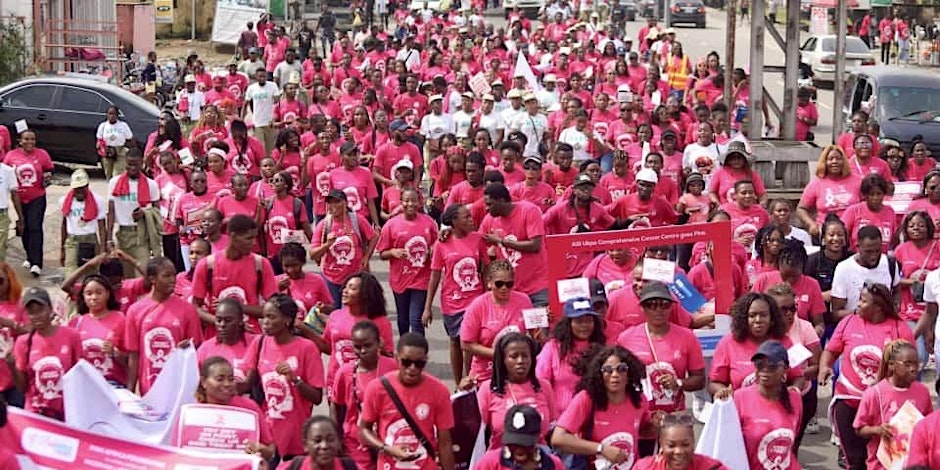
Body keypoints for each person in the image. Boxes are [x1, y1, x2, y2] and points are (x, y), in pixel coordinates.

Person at [818, 282, 914, 470]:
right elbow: (831, 351)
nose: (858, 304)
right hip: (848, 401)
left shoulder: (899, 328)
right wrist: (824, 367)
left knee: (886, 461)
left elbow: (909, 364)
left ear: (878, 307)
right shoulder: (848, 322)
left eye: (863, 301)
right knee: (855, 461)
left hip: (883, 407)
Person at [240, 293, 325, 462]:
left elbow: (317, 397)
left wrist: (295, 380)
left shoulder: (306, 348)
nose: (265, 322)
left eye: (271, 317)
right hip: (268, 433)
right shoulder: (259, 343)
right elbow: (248, 383)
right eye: (264, 317)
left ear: (287, 320)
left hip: (297, 435)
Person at [551, 345, 660, 470]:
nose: (615, 374)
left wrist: (656, 423)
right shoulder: (586, 398)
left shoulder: (639, 399)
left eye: (621, 369)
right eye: (608, 370)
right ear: (599, 374)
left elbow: (641, 431)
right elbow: (558, 438)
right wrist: (601, 449)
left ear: (630, 373)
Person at [359, 333, 456, 470]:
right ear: (396, 358)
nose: (412, 368)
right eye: (406, 362)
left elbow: (445, 442)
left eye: (419, 363)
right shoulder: (377, 388)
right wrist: (387, 449)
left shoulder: (439, 391)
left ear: (426, 360)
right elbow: (364, 430)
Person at [617, 283, 706, 422]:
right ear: (642, 307)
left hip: (675, 417)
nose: (659, 309)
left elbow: (700, 380)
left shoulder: (688, 337)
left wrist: (678, 383)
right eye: (652, 305)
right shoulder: (626, 339)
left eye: (664, 304)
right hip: (639, 417)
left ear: (671, 307)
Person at [423, 204, 487, 384]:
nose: (471, 220)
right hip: (452, 301)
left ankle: (471, 380)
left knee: (469, 343)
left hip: (475, 300)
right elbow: (435, 275)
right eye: (466, 217)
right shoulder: (441, 244)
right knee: (455, 341)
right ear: (454, 221)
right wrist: (427, 307)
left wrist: (489, 294)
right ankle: (459, 383)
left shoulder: (478, 239)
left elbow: (486, 268)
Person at [125, 257, 203, 395]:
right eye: (166, 276)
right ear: (152, 279)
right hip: (148, 387)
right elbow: (134, 354)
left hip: (178, 388)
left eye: (173, 275)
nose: (172, 279)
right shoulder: (135, 310)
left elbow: (196, 348)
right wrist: (130, 392)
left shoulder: (187, 309)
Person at [172, 356, 275, 460]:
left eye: (231, 379)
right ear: (203, 381)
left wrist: (262, 450)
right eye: (220, 379)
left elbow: (270, 450)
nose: (227, 384)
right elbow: (178, 453)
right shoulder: (191, 414)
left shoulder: (249, 408)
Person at [191, 214, 279, 334]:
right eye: (249, 238)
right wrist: (219, 322)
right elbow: (195, 307)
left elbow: (273, 309)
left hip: (250, 337)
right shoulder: (207, 265)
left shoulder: (261, 264)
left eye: (255, 238)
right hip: (217, 339)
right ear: (233, 236)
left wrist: (235, 307)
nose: (254, 243)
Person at [853, 340, 932, 470]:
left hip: (913, 463)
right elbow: (859, 428)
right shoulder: (874, 393)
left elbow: (929, 423)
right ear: (891, 365)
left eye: (916, 364)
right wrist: (877, 430)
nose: (913, 369)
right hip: (883, 464)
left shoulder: (922, 392)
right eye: (907, 364)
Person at [710, 293, 804, 399]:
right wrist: (723, 391)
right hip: (739, 408)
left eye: (763, 315)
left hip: (777, 407)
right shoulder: (727, 343)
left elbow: (798, 377)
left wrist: (794, 391)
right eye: (752, 315)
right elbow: (714, 383)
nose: (758, 320)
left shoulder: (785, 342)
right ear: (744, 318)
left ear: (772, 319)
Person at [330, 320, 397, 469]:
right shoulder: (345, 373)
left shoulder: (393, 367)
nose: (362, 351)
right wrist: (336, 438)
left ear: (379, 343)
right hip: (356, 444)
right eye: (357, 347)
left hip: (389, 440)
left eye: (368, 345)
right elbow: (336, 407)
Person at [9, 287, 81, 420]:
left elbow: (80, 374)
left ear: (50, 308)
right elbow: (22, 387)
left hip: (67, 412)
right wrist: (12, 366)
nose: (36, 316)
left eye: (40, 310)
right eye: (31, 312)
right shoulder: (23, 342)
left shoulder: (71, 336)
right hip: (37, 413)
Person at [476, 333, 556, 450]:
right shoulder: (488, 388)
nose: (520, 361)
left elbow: (551, 428)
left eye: (525, 356)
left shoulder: (544, 386)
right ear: (503, 360)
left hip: (538, 456)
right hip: (500, 456)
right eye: (514, 356)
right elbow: (477, 432)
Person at [321, 272, 395, 397]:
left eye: (352, 288)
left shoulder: (380, 322)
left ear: (365, 295)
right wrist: (305, 329)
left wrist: (381, 349)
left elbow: (389, 358)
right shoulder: (335, 316)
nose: (345, 291)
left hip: (365, 385)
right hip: (336, 380)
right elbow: (328, 347)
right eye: (345, 287)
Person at [461, 260, 534, 384]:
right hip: (486, 374)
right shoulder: (478, 305)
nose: (504, 288)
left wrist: (542, 327)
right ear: (489, 283)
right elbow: (466, 344)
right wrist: (498, 354)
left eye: (509, 284)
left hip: (516, 373)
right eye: (499, 284)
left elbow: (536, 334)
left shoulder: (524, 300)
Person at [733, 340, 803, 470]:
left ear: (786, 369)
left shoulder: (795, 398)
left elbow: (791, 444)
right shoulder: (739, 398)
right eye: (760, 365)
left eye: (772, 365)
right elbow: (729, 445)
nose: (765, 370)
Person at [377, 188, 437, 336]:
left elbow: (438, 246)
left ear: (419, 202)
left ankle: (418, 354)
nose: (410, 204)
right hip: (400, 280)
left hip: (421, 279)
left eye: (414, 201)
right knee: (403, 320)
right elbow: (382, 253)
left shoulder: (429, 223)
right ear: (401, 203)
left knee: (416, 319)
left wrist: (431, 251)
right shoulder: (391, 225)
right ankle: (405, 351)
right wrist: (393, 252)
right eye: (406, 201)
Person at [479, 183, 549, 307]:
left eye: (490, 204)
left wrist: (502, 241)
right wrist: (449, 232)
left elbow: (535, 245)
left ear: (501, 200)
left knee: (540, 325)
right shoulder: (489, 220)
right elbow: (475, 240)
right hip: (510, 290)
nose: (486, 208)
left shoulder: (528, 210)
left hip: (537, 288)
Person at [310, 190, 379, 307]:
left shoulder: (357, 220)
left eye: (337, 202)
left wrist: (366, 257)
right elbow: (312, 254)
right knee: (334, 313)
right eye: (330, 203)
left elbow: (374, 236)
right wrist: (327, 245)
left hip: (354, 277)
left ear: (345, 203)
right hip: (330, 278)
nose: (333, 206)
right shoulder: (324, 225)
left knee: (352, 313)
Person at [537, 297, 606, 410]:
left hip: (593, 416)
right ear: (568, 323)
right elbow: (541, 383)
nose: (584, 325)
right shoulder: (553, 347)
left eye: (588, 321)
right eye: (579, 321)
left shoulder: (601, 348)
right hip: (560, 419)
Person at [4, 129, 52, 276]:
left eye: (32, 139)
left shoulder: (42, 154)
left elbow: (49, 169)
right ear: (20, 141)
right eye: (26, 139)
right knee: (23, 226)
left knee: (35, 226)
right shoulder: (11, 156)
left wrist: (47, 176)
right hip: (19, 199)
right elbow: (4, 172)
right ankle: (29, 256)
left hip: (37, 196)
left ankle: (37, 262)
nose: (30, 142)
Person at [107, 149, 162, 277]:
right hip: (123, 234)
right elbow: (110, 212)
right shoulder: (114, 183)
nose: (132, 168)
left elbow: (157, 211)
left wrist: (144, 213)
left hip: (141, 234)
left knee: (143, 275)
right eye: (129, 164)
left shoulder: (151, 185)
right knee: (125, 276)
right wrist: (109, 239)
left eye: (135, 164)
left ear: (142, 163)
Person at [830, 226, 900, 322]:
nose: (873, 256)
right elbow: (836, 313)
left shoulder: (890, 263)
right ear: (858, 247)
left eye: (877, 251)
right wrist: (860, 311)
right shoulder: (844, 269)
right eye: (869, 252)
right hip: (855, 326)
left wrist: (895, 306)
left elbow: (897, 291)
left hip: (885, 325)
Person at [69, 274, 127, 386]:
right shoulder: (76, 322)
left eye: (99, 293)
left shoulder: (120, 319)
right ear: (83, 296)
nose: (94, 297)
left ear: (108, 294)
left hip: (113, 384)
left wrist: (115, 352)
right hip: (84, 384)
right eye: (89, 293)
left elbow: (132, 359)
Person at [796, 145, 862, 237]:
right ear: (824, 162)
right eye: (830, 159)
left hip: (853, 232)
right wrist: (811, 225)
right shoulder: (816, 183)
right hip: (826, 235)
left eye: (838, 159)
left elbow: (866, 205)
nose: (834, 161)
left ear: (844, 161)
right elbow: (801, 209)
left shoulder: (857, 181)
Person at [475, 404, 565, 469]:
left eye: (525, 443)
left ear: (538, 438)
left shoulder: (552, 464)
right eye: (513, 443)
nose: (519, 449)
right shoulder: (489, 463)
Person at [59, 169, 108, 275]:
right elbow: (64, 224)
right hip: (72, 241)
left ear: (87, 186)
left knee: (90, 276)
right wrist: (62, 249)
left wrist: (103, 250)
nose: (79, 192)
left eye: (82, 188)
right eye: (77, 189)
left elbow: (102, 227)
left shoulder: (98, 201)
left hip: (90, 240)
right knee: (70, 276)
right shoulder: (64, 201)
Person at [633, 417, 728, 469]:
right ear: (661, 445)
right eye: (671, 445)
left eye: (685, 444)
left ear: (693, 443)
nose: (678, 451)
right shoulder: (644, 467)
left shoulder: (711, 468)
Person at [195, 298, 254, 382]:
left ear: (241, 321)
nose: (222, 325)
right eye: (218, 320)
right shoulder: (205, 348)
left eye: (228, 320)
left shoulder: (254, 343)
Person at [277, 415, 358, 470]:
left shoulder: (349, 467)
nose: (324, 446)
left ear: (338, 442)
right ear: (305, 445)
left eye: (330, 440)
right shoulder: (291, 467)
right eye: (317, 441)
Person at [842, 174, 895, 252]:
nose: (875, 198)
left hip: (882, 259)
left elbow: (894, 239)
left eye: (879, 194)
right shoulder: (853, 211)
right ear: (864, 195)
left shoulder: (890, 212)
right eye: (871, 194)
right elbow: (842, 234)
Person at [244, 68, 281, 154]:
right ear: (256, 77)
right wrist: (243, 118)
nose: (262, 78)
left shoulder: (273, 86)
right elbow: (245, 104)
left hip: (270, 122)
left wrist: (275, 118)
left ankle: (270, 164)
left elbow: (277, 102)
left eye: (264, 76)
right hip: (257, 122)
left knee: (270, 148)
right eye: (260, 76)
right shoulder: (251, 88)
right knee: (260, 146)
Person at [96, 106, 134, 179]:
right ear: (107, 114)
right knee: (108, 174)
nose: (112, 116)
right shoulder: (103, 126)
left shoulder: (123, 125)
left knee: (117, 174)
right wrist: (101, 148)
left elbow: (129, 138)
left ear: (117, 115)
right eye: (110, 114)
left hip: (120, 150)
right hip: (107, 151)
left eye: (114, 114)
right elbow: (99, 140)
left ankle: (117, 188)